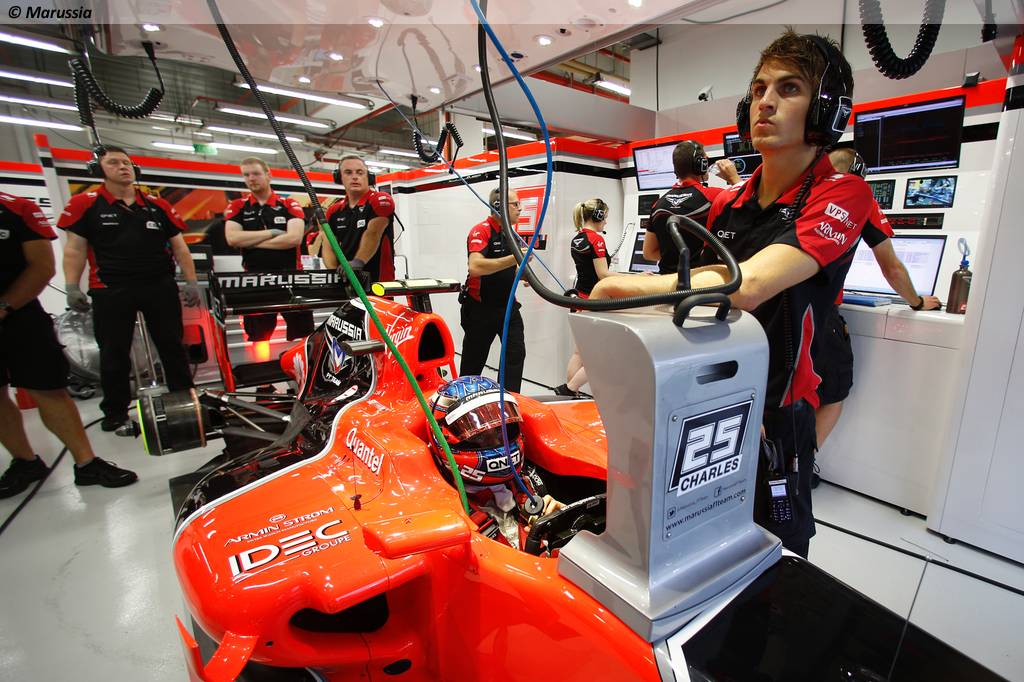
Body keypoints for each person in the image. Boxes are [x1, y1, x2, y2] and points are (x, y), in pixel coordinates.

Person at [591, 31, 872, 558]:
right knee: (696, 538)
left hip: (778, 411)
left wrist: (622, 288)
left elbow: (751, 284)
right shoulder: (728, 201)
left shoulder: (844, 193)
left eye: (789, 88)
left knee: (778, 550)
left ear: (825, 109)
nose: (766, 101)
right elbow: (695, 301)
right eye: (759, 89)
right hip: (711, 398)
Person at [0, 192, 136, 496]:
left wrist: (4, 307)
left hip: (19, 313)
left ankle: (86, 462)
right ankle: (25, 461)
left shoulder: (15, 208)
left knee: (48, 388)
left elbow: (41, 266)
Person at [58, 145, 198, 432]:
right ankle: (115, 411)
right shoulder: (85, 204)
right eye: (114, 163)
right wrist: (72, 286)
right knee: (113, 352)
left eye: (126, 162)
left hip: (159, 285)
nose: (123, 167)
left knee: (172, 346)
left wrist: (191, 281)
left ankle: (186, 401)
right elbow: (75, 249)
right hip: (110, 287)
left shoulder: (156, 205)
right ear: (98, 170)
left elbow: (180, 248)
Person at [814, 147, 941, 448]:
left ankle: (770, 468)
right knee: (833, 395)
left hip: (773, 314)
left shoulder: (800, 195)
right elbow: (892, 268)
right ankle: (800, 468)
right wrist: (917, 302)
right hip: (819, 317)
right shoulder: (857, 198)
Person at [428, 376, 563, 550]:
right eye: (479, 436)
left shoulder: (528, 480)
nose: (497, 442)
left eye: (500, 430)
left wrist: (561, 518)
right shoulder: (442, 511)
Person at [223, 157, 312, 344]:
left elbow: (293, 239)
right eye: (246, 175)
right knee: (259, 337)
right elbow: (232, 238)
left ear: (268, 175)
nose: (251, 178)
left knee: (302, 335)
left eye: (256, 173)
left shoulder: (288, 204)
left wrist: (250, 242)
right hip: (256, 279)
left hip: (291, 277)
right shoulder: (238, 206)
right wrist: (271, 233)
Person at [459, 188, 527, 393]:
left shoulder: (512, 234)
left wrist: (525, 275)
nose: (520, 208)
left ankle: (509, 400)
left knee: (515, 354)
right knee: (474, 361)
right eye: (515, 204)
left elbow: (512, 268)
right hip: (481, 308)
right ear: (499, 206)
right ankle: (464, 399)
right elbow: (475, 267)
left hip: (508, 307)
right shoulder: (481, 230)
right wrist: (515, 258)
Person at [555, 198, 613, 397]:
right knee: (600, 356)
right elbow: (603, 274)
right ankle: (570, 389)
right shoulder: (596, 239)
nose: (606, 221)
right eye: (605, 217)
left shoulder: (577, 238)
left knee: (579, 353)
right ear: (598, 215)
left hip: (579, 298)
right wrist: (636, 278)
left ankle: (571, 395)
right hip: (594, 301)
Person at [644, 140, 725, 273]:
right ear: (701, 164)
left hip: (666, 281)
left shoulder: (658, 204)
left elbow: (649, 253)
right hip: (700, 280)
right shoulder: (716, 196)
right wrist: (733, 179)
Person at [322, 155, 396, 283]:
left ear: (369, 177)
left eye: (360, 172)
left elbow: (373, 233)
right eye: (348, 172)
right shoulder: (334, 211)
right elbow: (329, 244)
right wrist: (335, 273)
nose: (355, 177)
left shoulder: (380, 200)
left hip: (378, 281)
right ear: (339, 177)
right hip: (345, 280)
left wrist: (358, 262)